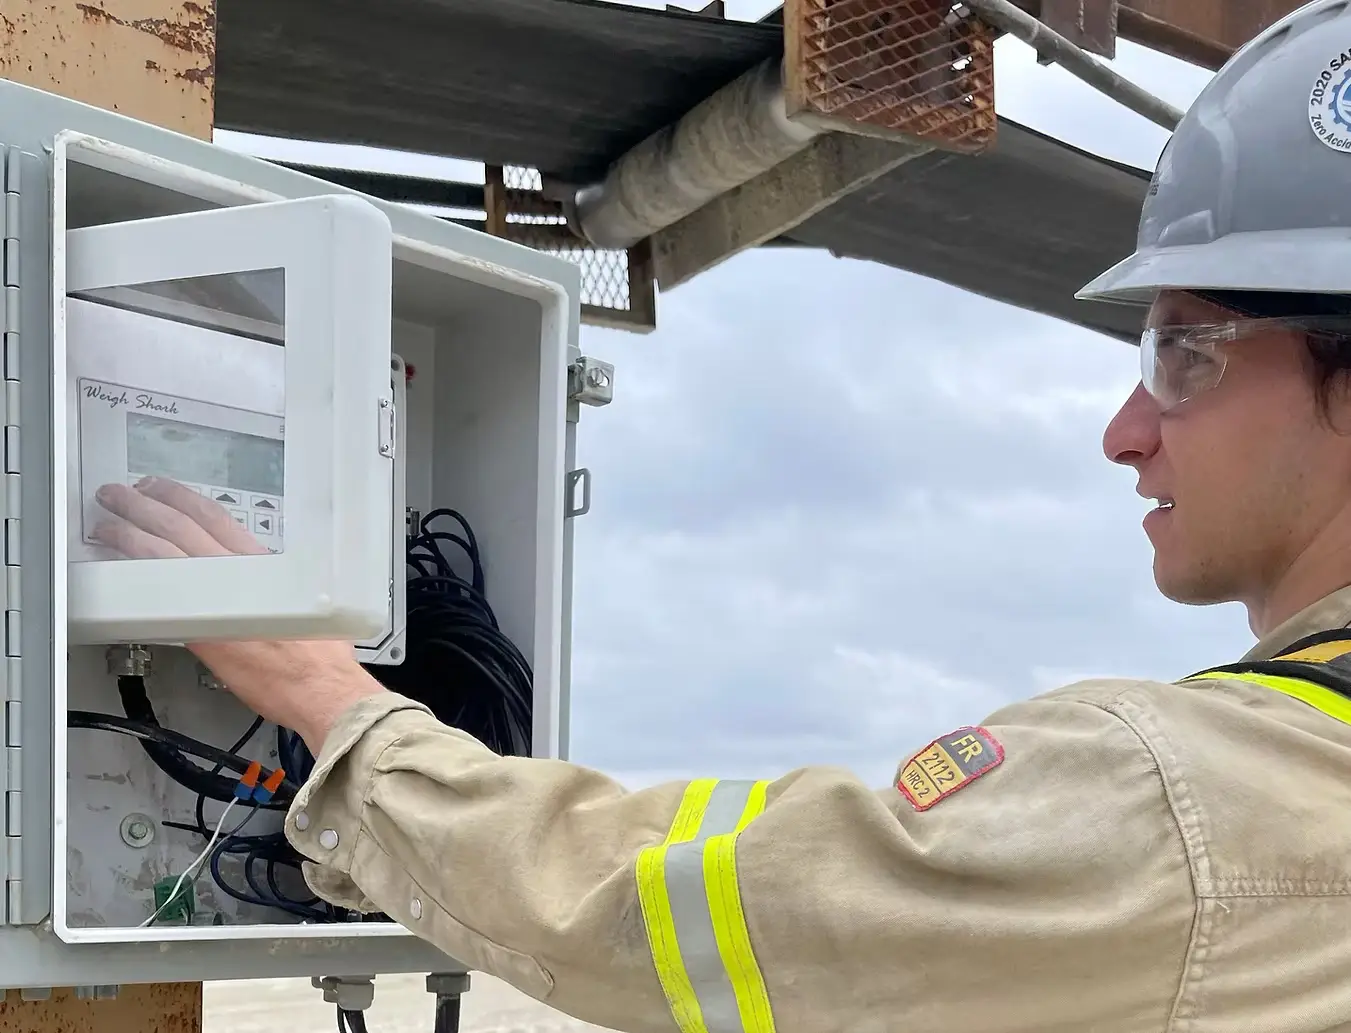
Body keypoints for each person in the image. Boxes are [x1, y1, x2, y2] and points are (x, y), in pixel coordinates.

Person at [88, 2, 1351, 1029]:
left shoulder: (1187, 799)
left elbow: (672, 912)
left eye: (1186, 352)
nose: (1124, 431)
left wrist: (335, 708)